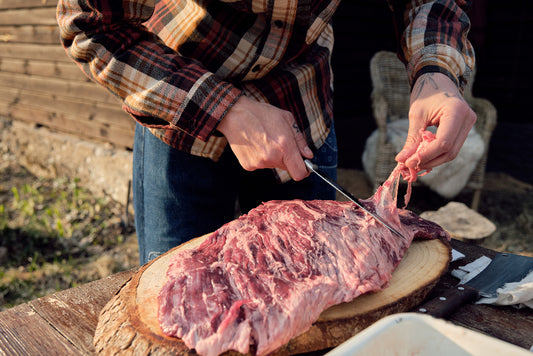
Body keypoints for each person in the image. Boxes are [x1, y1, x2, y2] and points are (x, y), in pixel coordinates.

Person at [56, 0, 476, 265]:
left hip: (303, 109)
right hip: (179, 115)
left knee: (317, 290)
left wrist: (436, 70)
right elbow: (88, 24)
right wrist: (224, 108)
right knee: (179, 299)